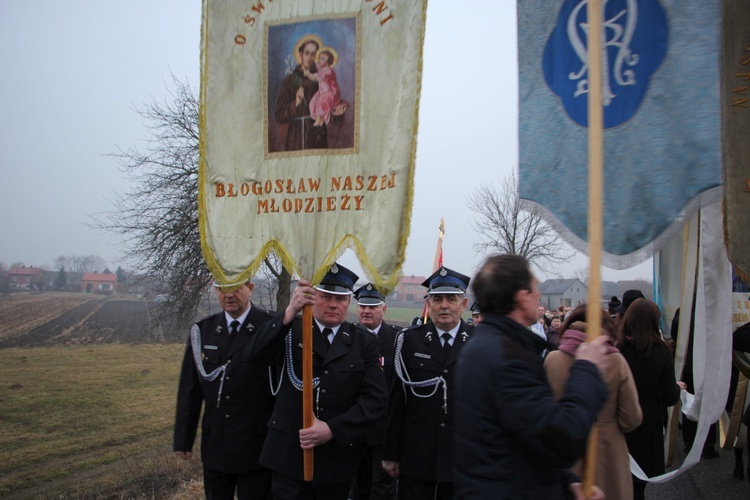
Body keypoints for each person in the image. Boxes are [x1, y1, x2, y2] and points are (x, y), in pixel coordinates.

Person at [452, 254, 609, 499]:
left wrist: (565, 484)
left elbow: (520, 439)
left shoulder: (483, 346)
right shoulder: (508, 358)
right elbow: (563, 440)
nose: (539, 297)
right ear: (523, 298)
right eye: (535, 289)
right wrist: (587, 369)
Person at [243, 263, 387, 499]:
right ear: (312, 296)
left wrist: (332, 429)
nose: (333, 304)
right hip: (289, 456)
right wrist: (290, 310)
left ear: (349, 301)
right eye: (326, 296)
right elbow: (253, 355)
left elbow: (376, 400)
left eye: (340, 299)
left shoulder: (362, 343)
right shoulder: (290, 330)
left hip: (337, 459)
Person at [173, 280, 276, 500]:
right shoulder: (204, 330)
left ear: (250, 288)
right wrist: (184, 438)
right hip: (217, 444)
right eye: (222, 289)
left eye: (235, 288)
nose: (228, 295)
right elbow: (190, 389)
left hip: (256, 445)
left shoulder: (269, 327)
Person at [382, 266, 474, 499]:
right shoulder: (408, 341)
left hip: (463, 455)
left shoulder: (479, 343)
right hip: (417, 453)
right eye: (437, 299)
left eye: (451, 299)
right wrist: (391, 453)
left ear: (463, 305)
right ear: (428, 304)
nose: (444, 306)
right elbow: (396, 400)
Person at [545, 304, 642, 500]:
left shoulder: (552, 360)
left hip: (567, 452)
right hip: (610, 452)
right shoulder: (615, 360)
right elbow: (632, 417)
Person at [621, 298, 684, 500]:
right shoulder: (662, 351)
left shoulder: (616, 348)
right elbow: (669, 397)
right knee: (640, 483)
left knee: (620, 479)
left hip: (620, 420)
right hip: (648, 422)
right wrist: (677, 388)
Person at [349, 283, 399, 500]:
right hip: (353, 430)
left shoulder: (397, 341)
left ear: (384, 309)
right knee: (355, 487)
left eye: (373, 307)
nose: (366, 311)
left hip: (383, 432)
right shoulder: (347, 338)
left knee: (382, 489)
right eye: (362, 306)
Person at [274, 36, 347, 151]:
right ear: (300, 54)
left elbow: (330, 106)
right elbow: (279, 115)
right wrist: (296, 103)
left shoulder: (322, 78)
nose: (310, 57)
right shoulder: (289, 81)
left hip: (317, 134)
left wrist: (337, 114)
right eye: (307, 53)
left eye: (313, 54)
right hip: (296, 136)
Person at [305, 48, 342, 127]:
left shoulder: (328, 71)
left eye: (322, 59)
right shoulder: (322, 68)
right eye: (319, 57)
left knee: (320, 101)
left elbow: (315, 78)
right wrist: (312, 61)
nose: (319, 60)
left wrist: (308, 74)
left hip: (331, 93)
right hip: (322, 92)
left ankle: (320, 119)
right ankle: (317, 118)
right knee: (313, 102)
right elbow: (317, 65)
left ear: (328, 62)